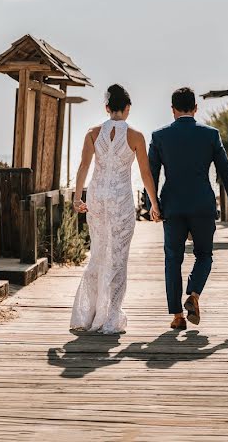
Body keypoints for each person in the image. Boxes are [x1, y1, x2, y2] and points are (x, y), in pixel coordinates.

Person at [148, 87, 228, 330]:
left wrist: (152, 205)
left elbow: (151, 173)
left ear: (173, 110)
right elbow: (226, 170)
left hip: (172, 207)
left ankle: (178, 317)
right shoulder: (210, 135)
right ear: (195, 108)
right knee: (204, 255)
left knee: (173, 259)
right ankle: (194, 295)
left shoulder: (160, 136)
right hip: (202, 205)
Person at [69, 84, 161, 334]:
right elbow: (145, 173)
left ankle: (87, 315)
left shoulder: (92, 133)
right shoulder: (136, 136)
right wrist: (154, 204)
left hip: (98, 198)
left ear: (107, 107)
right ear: (128, 108)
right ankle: (109, 318)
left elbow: (83, 168)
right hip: (120, 201)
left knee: (98, 253)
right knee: (118, 259)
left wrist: (78, 198)